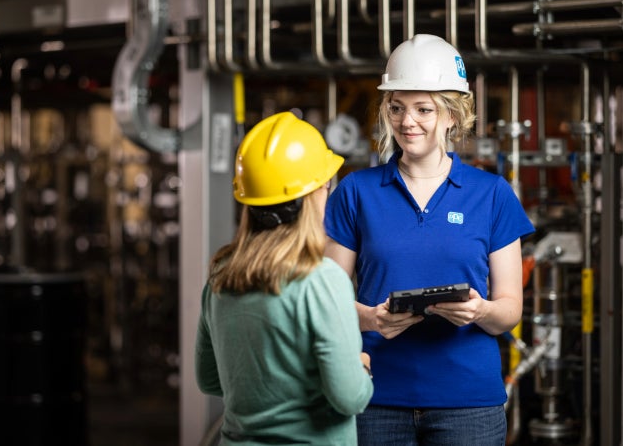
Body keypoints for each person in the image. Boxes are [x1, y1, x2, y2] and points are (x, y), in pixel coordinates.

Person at [324, 34, 535, 445]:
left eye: (424, 109)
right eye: (397, 108)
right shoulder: (355, 191)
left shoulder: (492, 194)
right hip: (374, 395)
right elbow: (326, 301)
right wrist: (371, 319)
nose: (408, 122)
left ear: (453, 115)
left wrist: (479, 310)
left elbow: (510, 310)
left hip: (468, 405)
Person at [195, 111, 374, 445]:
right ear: (319, 191)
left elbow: (209, 380)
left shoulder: (221, 275)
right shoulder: (321, 280)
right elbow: (349, 398)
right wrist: (361, 367)